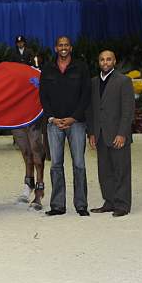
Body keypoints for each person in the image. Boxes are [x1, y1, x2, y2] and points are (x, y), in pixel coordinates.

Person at [39, 36, 91, 217]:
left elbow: (86, 95)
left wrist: (73, 117)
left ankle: (81, 205)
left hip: (76, 123)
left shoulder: (81, 67)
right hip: (54, 124)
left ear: (71, 47)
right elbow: (43, 96)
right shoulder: (47, 68)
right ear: (55, 48)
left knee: (79, 164)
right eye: (60, 45)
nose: (63, 48)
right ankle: (58, 205)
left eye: (66, 45)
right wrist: (52, 118)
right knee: (56, 165)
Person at [87, 50, 134, 217]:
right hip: (100, 135)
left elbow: (128, 111)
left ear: (114, 61)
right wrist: (91, 133)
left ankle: (122, 204)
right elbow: (91, 110)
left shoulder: (124, 81)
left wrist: (122, 133)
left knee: (121, 169)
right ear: (98, 62)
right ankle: (109, 201)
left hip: (117, 134)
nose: (105, 62)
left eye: (108, 59)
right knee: (104, 171)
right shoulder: (93, 82)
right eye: (102, 60)